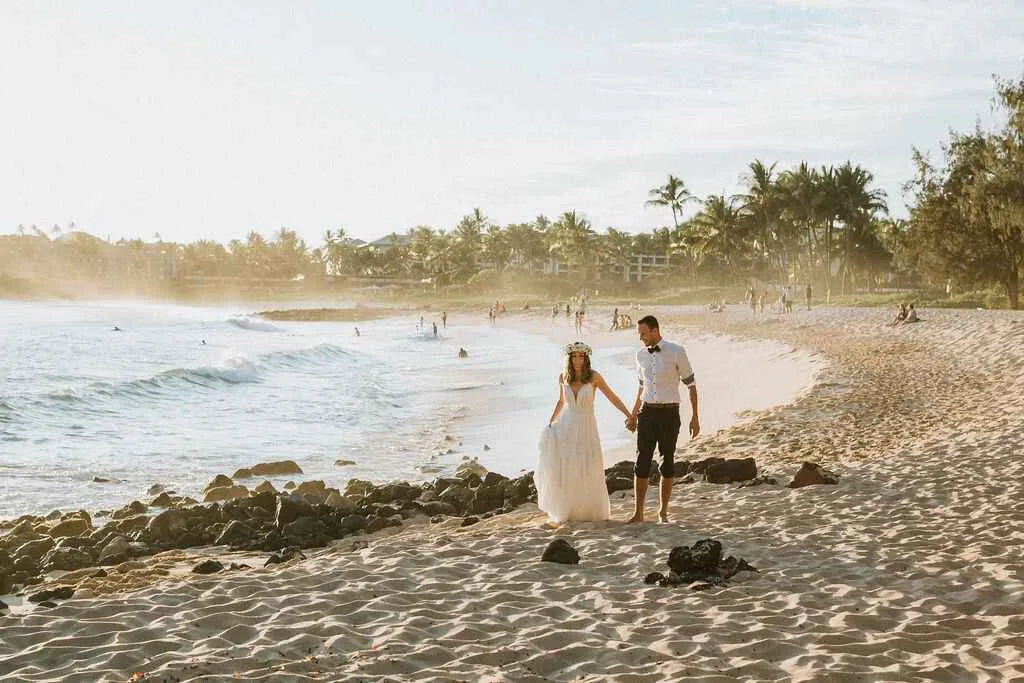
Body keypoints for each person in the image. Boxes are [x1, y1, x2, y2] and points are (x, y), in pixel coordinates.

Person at [535, 341, 633, 525]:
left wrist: (628, 414)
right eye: (574, 356)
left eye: (581, 356)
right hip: (567, 426)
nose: (578, 360)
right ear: (569, 358)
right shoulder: (563, 377)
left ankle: (587, 509)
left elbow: (612, 396)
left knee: (589, 464)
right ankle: (569, 509)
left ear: (586, 358)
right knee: (568, 467)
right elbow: (561, 402)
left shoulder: (594, 377)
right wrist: (550, 422)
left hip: (587, 425)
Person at [625, 315, 700, 524]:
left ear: (655, 330)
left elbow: (691, 386)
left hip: (669, 414)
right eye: (639, 334)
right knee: (641, 463)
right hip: (647, 413)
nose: (641, 338)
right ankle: (638, 513)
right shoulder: (640, 355)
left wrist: (695, 417)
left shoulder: (677, 351)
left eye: (643, 334)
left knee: (667, 463)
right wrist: (633, 415)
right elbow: (641, 388)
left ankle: (663, 512)